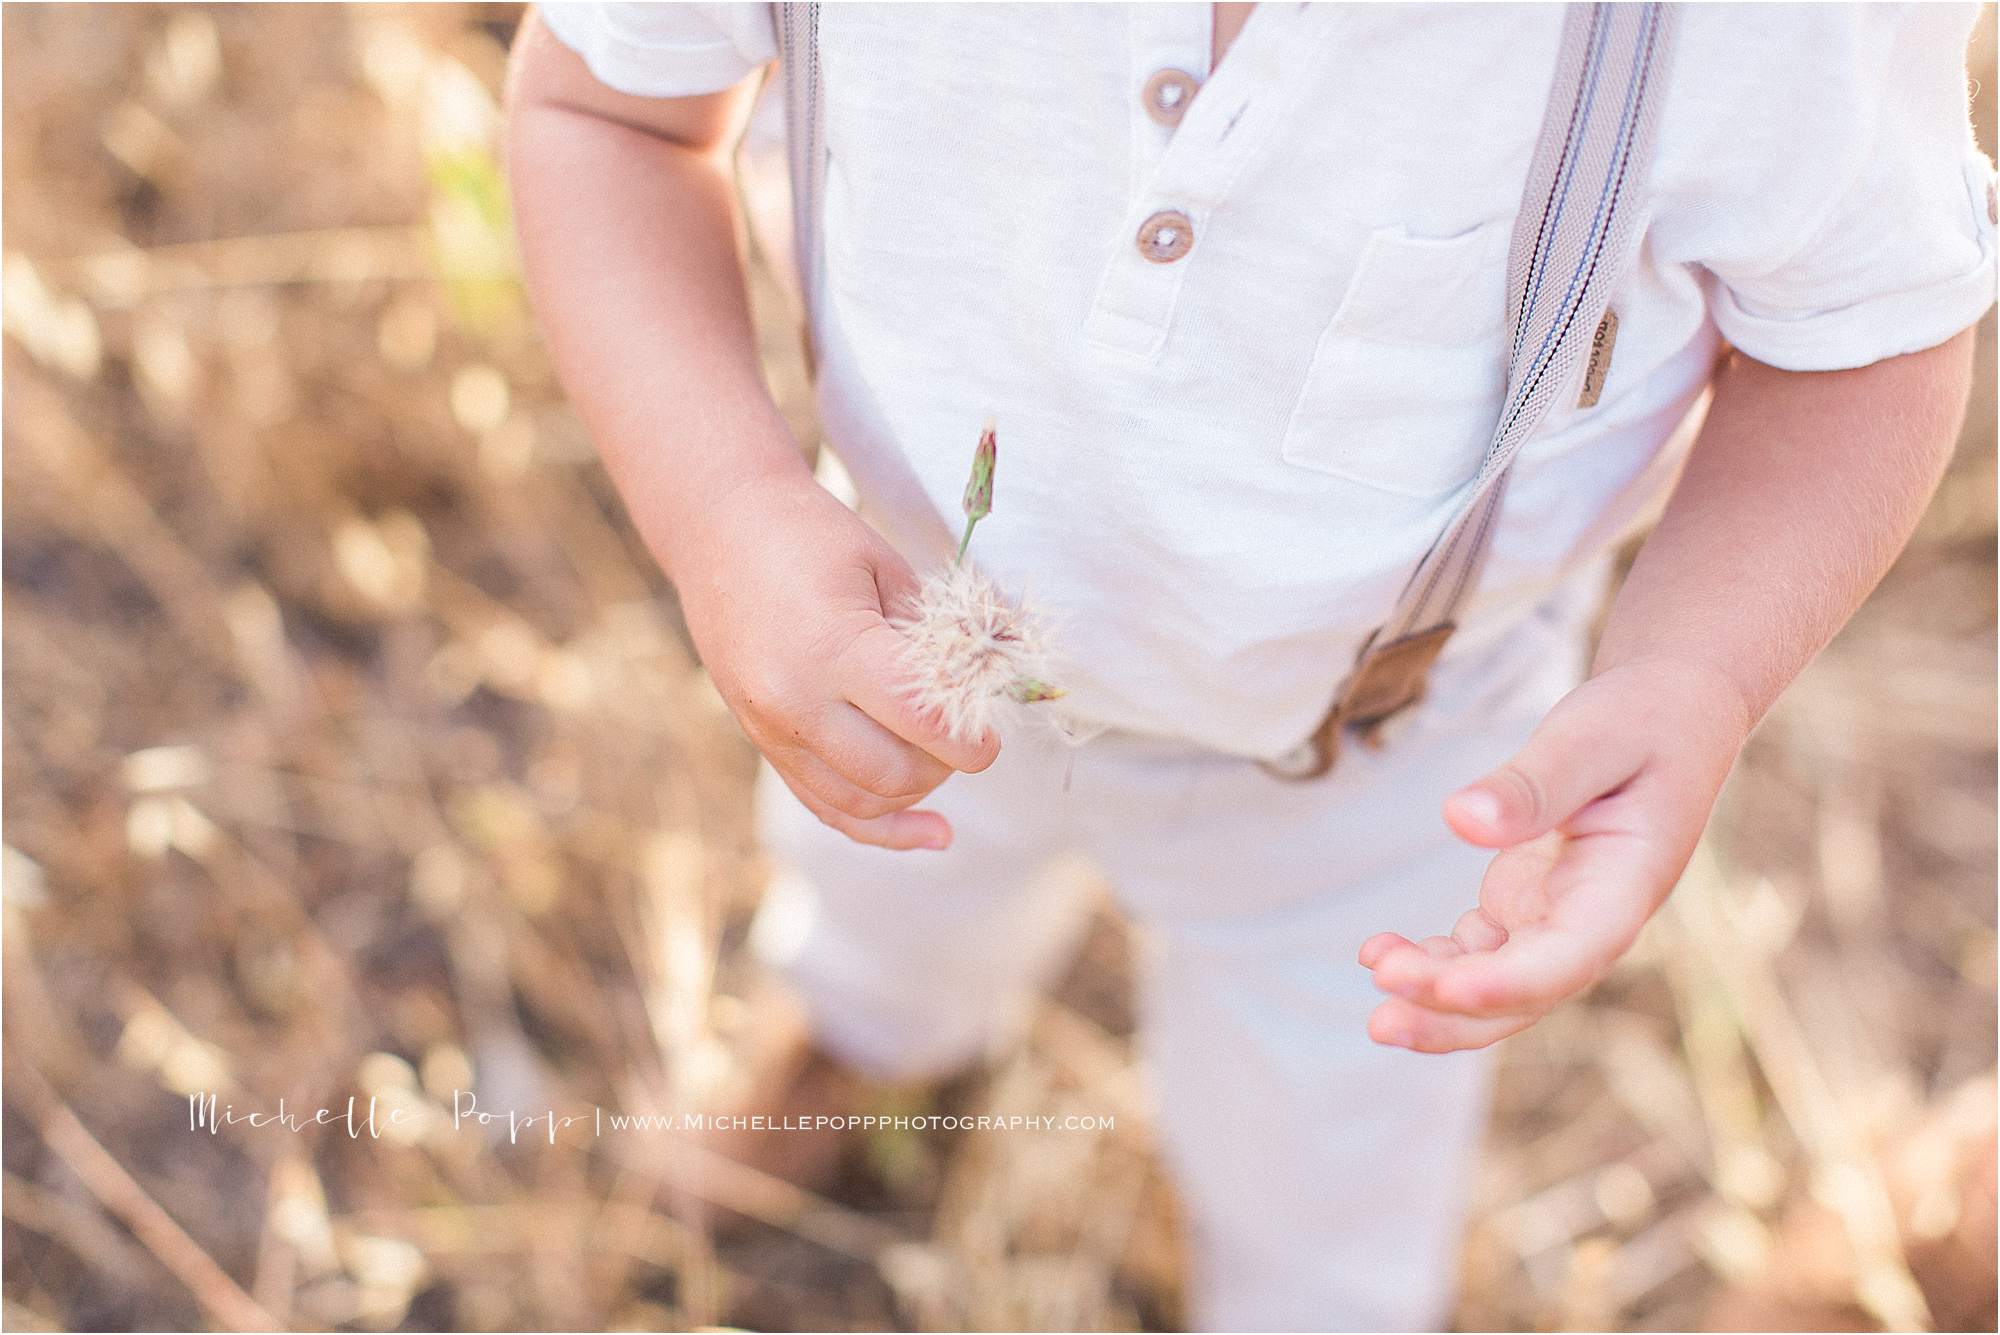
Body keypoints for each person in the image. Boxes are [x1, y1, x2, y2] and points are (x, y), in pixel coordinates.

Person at [503, 4, 1996, 1328]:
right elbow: (603, 113)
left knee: (1325, 1180)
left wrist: (1695, 672)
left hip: (1392, 758)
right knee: (883, 902)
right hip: (914, 646)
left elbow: (1866, 340)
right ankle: (864, 1043)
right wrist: (729, 514)